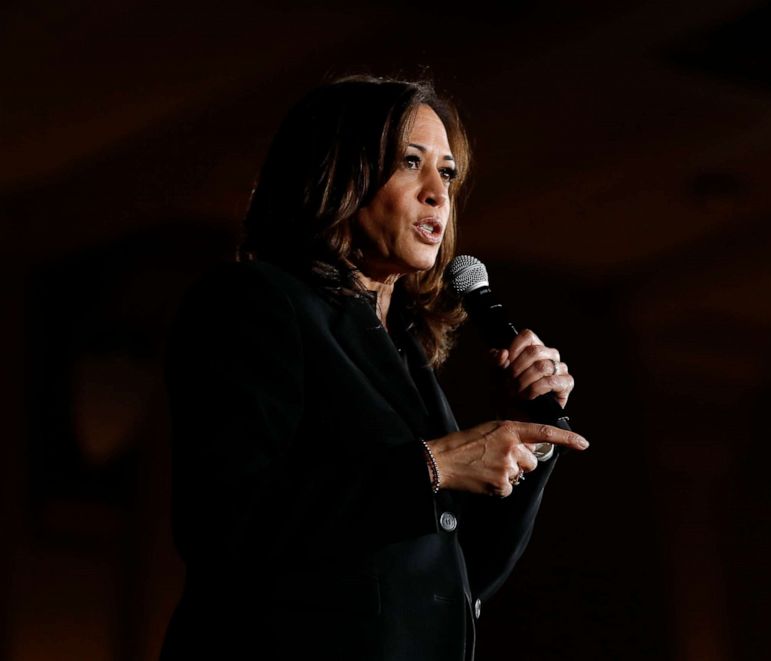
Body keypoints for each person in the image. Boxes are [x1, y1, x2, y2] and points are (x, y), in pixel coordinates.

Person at [159, 75, 589, 660]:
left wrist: (527, 441)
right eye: (410, 162)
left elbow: (458, 581)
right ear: (336, 173)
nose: (437, 193)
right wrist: (434, 466)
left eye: (447, 172)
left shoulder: (406, 352)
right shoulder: (254, 303)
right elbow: (226, 522)